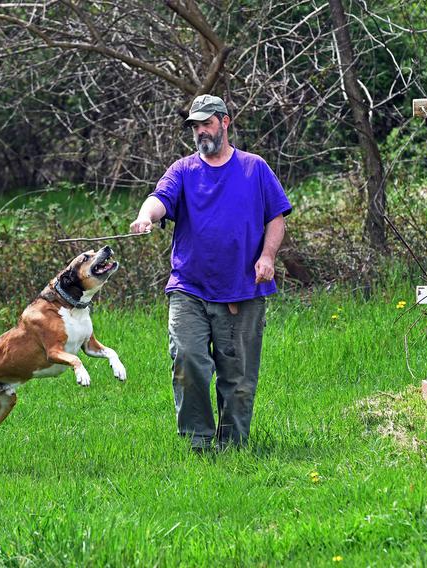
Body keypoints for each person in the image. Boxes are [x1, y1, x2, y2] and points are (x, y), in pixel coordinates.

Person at [130, 94, 292, 452]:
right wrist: (146, 216)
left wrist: (268, 257)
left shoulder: (255, 168)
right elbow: (159, 199)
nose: (201, 131)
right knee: (188, 360)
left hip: (244, 288)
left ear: (225, 122)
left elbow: (275, 219)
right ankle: (198, 442)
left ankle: (233, 447)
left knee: (238, 378)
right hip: (190, 287)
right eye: (195, 126)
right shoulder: (183, 170)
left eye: (207, 123)